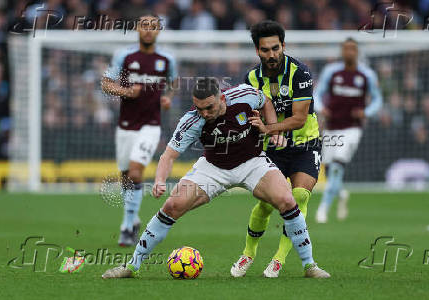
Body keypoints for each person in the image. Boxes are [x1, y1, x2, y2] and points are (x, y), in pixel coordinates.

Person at [101, 78, 330, 279]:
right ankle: (133, 265)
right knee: (172, 205)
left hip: (252, 162)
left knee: (288, 201)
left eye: (209, 107)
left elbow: (266, 101)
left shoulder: (245, 95)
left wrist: (272, 130)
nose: (205, 113)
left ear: (221, 97)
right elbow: (168, 155)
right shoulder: (192, 120)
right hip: (213, 168)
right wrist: (160, 180)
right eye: (200, 108)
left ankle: (310, 265)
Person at [231, 20, 322, 278]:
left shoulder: (300, 73)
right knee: (266, 204)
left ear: (283, 46)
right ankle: (249, 253)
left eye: (275, 48)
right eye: (265, 50)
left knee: (300, 196)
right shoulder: (250, 78)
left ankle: (279, 258)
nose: (271, 54)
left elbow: (300, 119)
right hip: (272, 147)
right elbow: (247, 116)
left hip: (305, 143)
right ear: (257, 51)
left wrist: (270, 129)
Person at [101, 13, 177, 246]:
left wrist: (167, 99)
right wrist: (126, 92)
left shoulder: (166, 59)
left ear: (158, 31)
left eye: (153, 26)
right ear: (137, 28)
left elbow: (172, 83)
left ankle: (126, 226)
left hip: (151, 126)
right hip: (125, 126)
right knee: (125, 175)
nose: (148, 30)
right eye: (144, 26)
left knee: (135, 173)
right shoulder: (124, 56)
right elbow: (106, 83)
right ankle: (133, 220)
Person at [314, 38, 383, 223]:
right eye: (346, 49)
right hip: (331, 127)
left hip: (352, 129)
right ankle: (341, 193)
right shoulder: (331, 72)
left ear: (357, 52)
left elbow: (377, 100)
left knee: (337, 165)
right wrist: (321, 108)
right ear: (342, 51)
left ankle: (323, 209)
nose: (349, 52)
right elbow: (317, 93)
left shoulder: (367, 75)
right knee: (329, 169)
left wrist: (366, 112)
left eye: (352, 49)